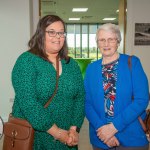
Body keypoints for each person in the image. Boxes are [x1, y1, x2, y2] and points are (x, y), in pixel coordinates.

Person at [11, 15, 85, 150]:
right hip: (35, 137)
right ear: (40, 34)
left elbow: (80, 98)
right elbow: (28, 102)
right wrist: (57, 132)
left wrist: (74, 129)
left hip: (67, 138)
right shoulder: (27, 61)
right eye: (51, 32)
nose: (57, 36)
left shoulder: (71, 64)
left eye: (61, 32)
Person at [84, 23, 149, 150]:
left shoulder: (133, 63)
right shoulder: (91, 69)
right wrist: (104, 132)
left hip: (132, 138)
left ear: (118, 42)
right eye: (102, 40)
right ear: (97, 43)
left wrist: (113, 127)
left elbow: (141, 100)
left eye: (111, 39)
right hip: (100, 138)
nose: (106, 44)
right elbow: (87, 103)